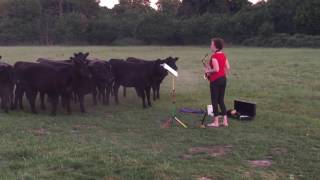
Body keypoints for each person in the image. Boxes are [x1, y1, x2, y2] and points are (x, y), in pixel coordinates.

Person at [204, 38, 230, 127]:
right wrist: (223, 74)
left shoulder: (214, 56)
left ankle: (216, 122)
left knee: (214, 101)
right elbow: (228, 67)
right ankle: (225, 121)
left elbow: (216, 69)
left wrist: (208, 71)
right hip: (223, 79)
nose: (210, 46)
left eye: (211, 44)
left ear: (215, 46)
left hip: (215, 81)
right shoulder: (223, 55)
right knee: (221, 100)